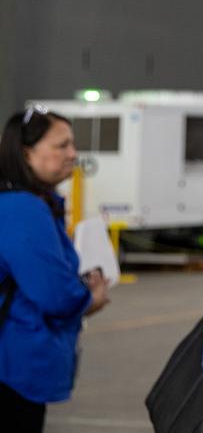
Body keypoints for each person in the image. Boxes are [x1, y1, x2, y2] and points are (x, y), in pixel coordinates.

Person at [0, 105, 110, 433]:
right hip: (12, 369)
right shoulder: (23, 209)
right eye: (61, 146)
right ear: (26, 153)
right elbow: (55, 295)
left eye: (72, 144)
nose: (73, 154)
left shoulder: (22, 202)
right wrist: (90, 299)